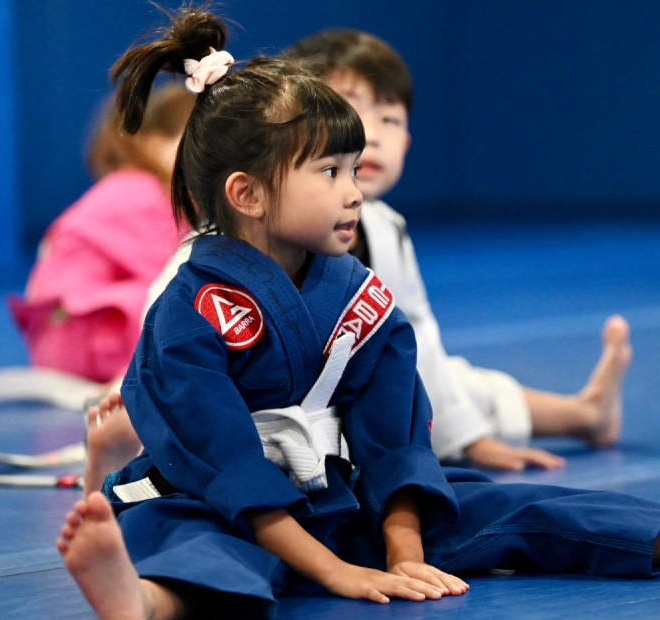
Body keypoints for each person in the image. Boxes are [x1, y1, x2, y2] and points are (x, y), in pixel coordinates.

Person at [57, 10, 660, 620]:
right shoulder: (187, 314)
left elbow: (396, 437)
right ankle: (143, 607)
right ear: (248, 194)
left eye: (352, 166)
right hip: (221, 503)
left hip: (331, 498)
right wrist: (338, 572)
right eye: (328, 170)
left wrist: (401, 544)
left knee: (509, 504)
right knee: (199, 549)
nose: (353, 188)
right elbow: (228, 468)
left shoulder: (358, 294)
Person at [84, 29, 630, 479]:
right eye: (348, 116)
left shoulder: (385, 229)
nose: (368, 135)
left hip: (343, 404)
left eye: (389, 121)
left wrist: (470, 440)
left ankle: (585, 415)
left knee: (455, 383)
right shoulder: (225, 245)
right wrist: (132, 402)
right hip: (254, 419)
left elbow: (418, 343)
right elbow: (167, 330)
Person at [8, 84, 194, 383]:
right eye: (199, 142)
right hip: (79, 335)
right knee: (189, 303)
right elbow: (177, 274)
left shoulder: (135, 187)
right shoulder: (142, 191)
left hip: (62, 336)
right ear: (157, 143)